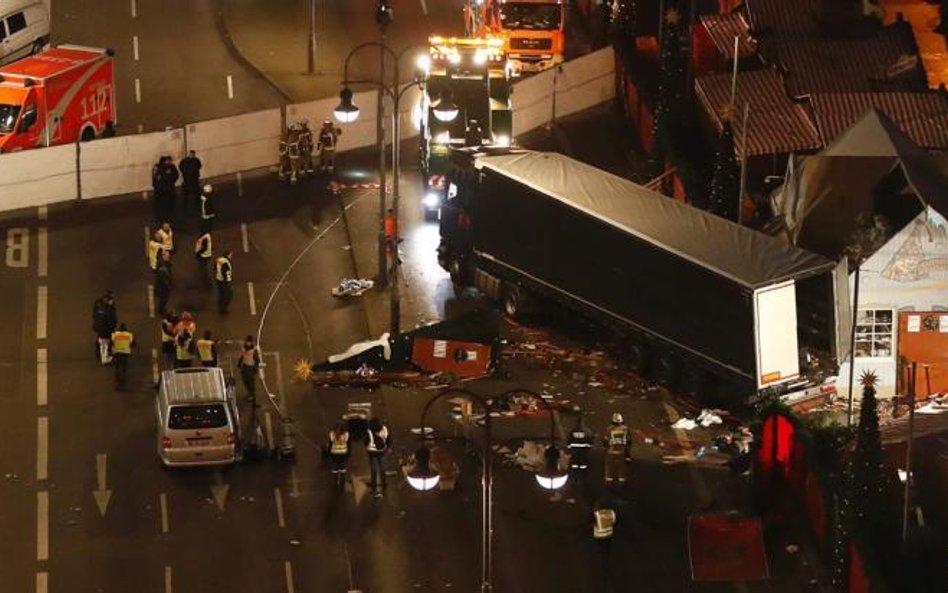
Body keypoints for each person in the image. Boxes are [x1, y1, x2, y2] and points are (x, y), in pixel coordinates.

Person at [364, 417, 391, 498]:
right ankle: (384, 483)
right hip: (382, 451)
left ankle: (374, 485)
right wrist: (388, 447)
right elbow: (388, 439)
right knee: (382, 467)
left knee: (374, 469)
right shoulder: (384, 429)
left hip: (372, 453)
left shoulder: (369, 431)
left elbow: (365, 441)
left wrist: (367, 447)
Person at [604, 412, 631, 484]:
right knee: (622, 467)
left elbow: (606, 441)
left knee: (609, 466)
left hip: (611, 451)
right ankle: (621, 480)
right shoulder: (625, 429)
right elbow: (629, 441)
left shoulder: (609, 429)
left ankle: (609, 480)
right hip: (622, 451)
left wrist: (606, 448)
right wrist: (627, 452)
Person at [92, 291, 117, 365]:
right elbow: (111, 319)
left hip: (100, 327)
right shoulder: (107, 308)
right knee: (104, 343)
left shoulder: (99, 304)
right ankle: (104, 358)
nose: (112, 300)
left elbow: (94, 314)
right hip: (105, 329)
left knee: (101, 341)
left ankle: (100, 354)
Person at [110, 323, 135, 390]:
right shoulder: (129, 335)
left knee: (117, 369)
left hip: (117, 353)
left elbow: (111, 343)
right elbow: (133, 344)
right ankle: (123, 384)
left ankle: (117, 384)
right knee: (123, 369)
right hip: (125, 354)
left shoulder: (115, 334)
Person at [328, 421, 351, 490]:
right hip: (343, 452)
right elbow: (348, 443)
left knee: (335, 467)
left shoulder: (332, 434)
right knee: (343, 467)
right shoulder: (346, 434)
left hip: (334, 452)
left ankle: (335, 482)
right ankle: (342, 483)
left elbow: (330, 443)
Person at [237, 335, 261, 401]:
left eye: (249, 342)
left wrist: (255, 368)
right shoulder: (244, 348)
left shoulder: (254, 350)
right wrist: (239, 362)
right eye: (247, 341)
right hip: (244, 366)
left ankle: (252, 395)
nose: (248, 343)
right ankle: (249, 393)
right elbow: (242, 355)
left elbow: (257, 360)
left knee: (251, 382)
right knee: (245, 380)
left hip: (250, 367)